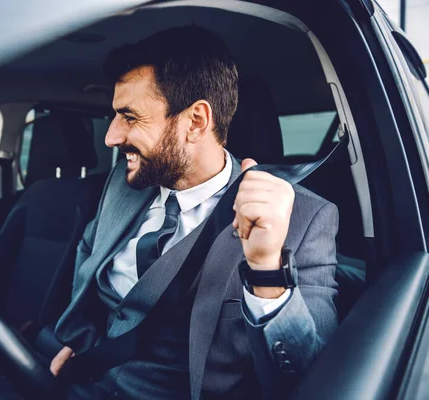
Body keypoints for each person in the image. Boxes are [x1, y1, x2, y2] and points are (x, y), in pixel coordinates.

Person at [50, 26, 339, 399]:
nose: (112, 137)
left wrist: (267, 267)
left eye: (130, 117)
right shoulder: (123, 185)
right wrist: (84, 345)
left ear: (196, 121)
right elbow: (89, 262)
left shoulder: (306, 219)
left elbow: (309, 376)